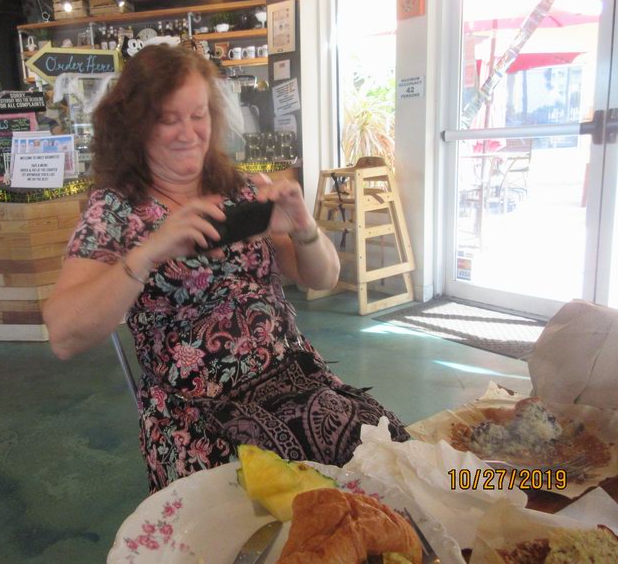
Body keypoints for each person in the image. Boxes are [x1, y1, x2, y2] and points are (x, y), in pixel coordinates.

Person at [43, 45, 408, 492]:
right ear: (135, 125)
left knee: (399, 466)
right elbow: (64, 336)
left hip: (298, 382)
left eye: (198, 115)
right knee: (321, 494)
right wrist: (149, 252)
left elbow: (323, 277)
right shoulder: (115, 211)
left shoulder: (237, 189)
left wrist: (304, 227)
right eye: (169, 119)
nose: (189, 132)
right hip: (200, 415)